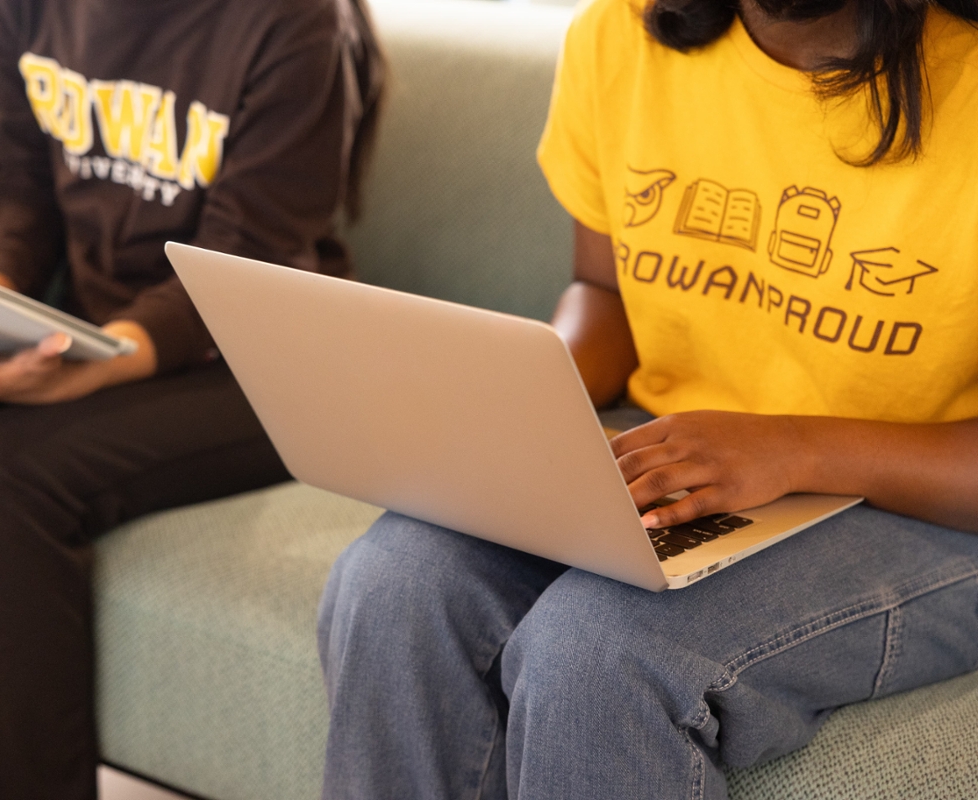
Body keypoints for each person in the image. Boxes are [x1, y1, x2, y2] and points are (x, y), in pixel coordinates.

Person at [317, 0, 978, 797]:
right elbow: (605, 290)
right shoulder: (623, 33)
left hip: (924, 500)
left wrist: (794, 445)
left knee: (597, 651)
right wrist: (529, 390)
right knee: (394, 585)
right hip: (687, 456)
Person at [0, 0, 383, 797]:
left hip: (263, 362)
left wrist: (98, 365)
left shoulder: (294, 23)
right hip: (87, 330)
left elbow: (245, 262)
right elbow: (22, 189)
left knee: (3, 474)